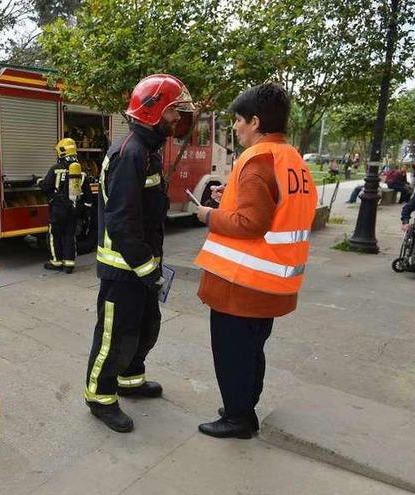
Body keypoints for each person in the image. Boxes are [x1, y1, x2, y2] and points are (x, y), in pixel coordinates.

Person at [194, 83, 317, 439]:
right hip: (272, 282)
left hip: (242, 283)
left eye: (238, 120)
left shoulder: (257, 159)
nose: (234, 127)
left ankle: (238, 419)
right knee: (251, 350)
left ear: (256, 121)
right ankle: (242, 404)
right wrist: (227, 195)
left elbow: (250, 223)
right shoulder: (291, 159)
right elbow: (273, 208)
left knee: (233, 353)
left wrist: (208, 215)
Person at [84, 74, 194, 432]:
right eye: (174, 112)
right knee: (114, 336)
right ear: (155, 110)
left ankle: (130, 379)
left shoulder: (145, 149)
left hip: (141, 267)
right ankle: (99, 397)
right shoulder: (129, 153)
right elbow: (121, 222)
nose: (177, 119)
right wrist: (148, 269)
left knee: (145, 328)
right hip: (124, 271)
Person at [41, 138, 93, 273]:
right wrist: (84, 211)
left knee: (55, 235)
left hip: (58, 209)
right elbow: (88, 196)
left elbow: (46, 187)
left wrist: (39, 181)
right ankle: (69, 264)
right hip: (73, 210)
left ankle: (56, 262)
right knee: (70, 235)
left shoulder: (55, 169)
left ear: (62, 152)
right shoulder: (81, 172)